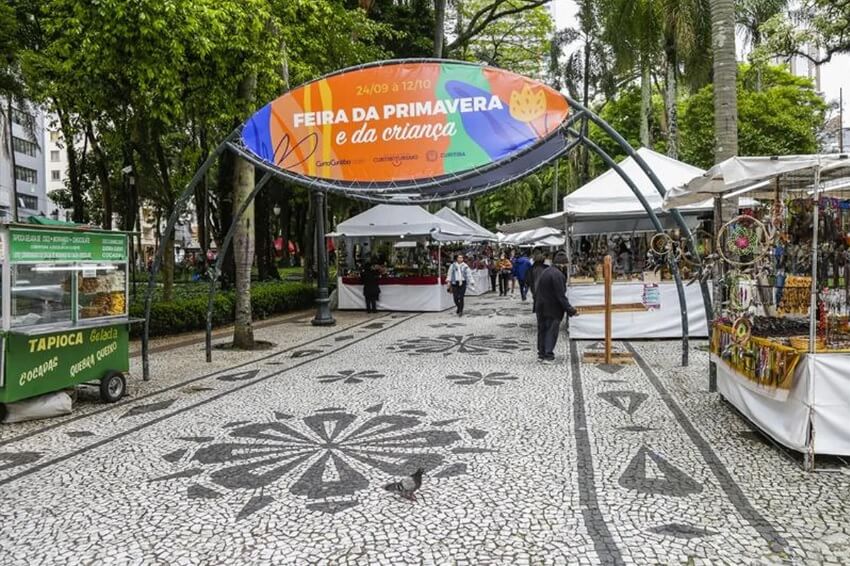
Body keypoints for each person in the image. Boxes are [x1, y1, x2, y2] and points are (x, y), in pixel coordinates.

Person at [534, 250, 578, 363]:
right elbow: (561, 296)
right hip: (552, 308)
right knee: (551, 331)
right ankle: (548, 355)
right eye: (566, 265)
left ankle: (541, 354)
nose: (566, 267)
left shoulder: (546, 271)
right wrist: (571, 310)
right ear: (562, 264)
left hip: (541, 306)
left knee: (542, 330)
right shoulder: (558, 275)